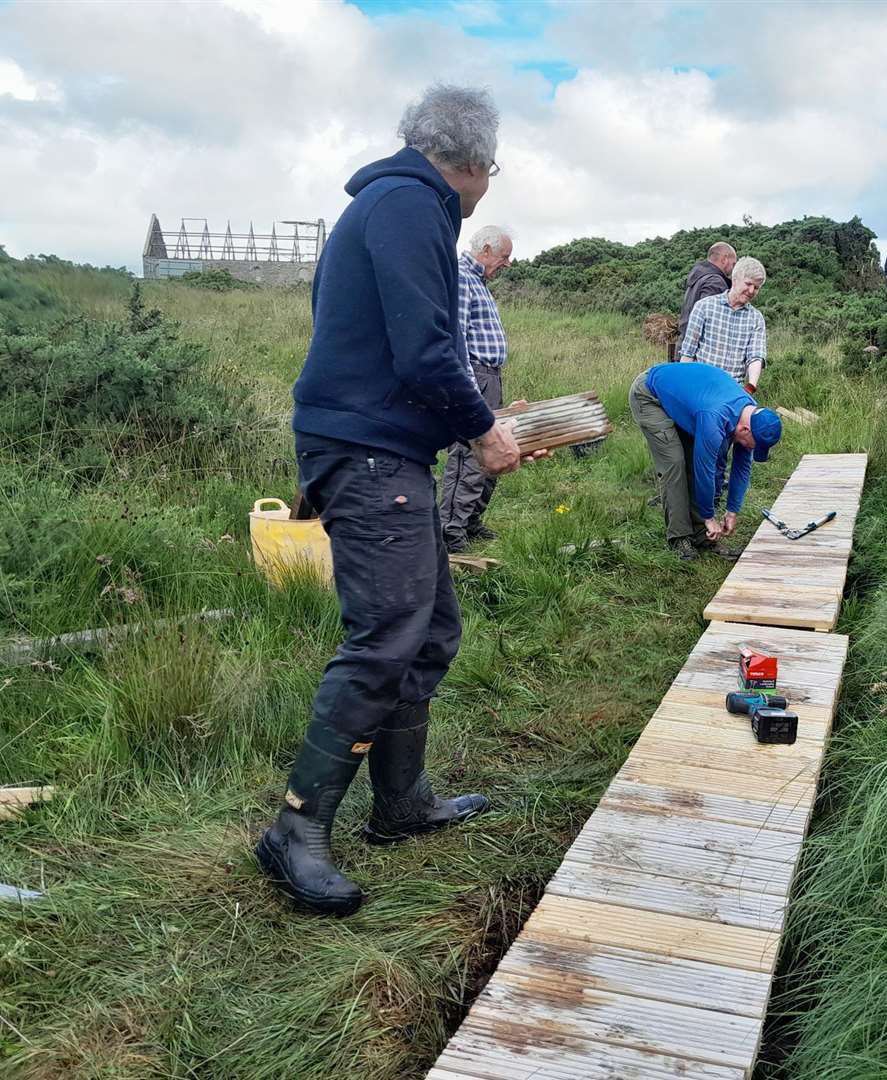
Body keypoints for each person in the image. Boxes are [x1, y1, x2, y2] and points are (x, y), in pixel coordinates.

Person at [256, 85, 546, 917]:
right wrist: (483, 433)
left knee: (431, 627)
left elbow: (394, 346)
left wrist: (481, 415)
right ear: (475, 165)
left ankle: (402, 804)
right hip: (369, 453)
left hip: (384, 448)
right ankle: (296, 830)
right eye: (491, 169)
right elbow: (423, 350)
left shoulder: (387, 205)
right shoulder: (411, 205)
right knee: (384, 637)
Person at [629, 362, 782, 561]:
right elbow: (705, 471)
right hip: (650, 394)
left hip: (689, 400)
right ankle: (680, 537)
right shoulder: (714, 417)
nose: (752, 449)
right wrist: (709, 517)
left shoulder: (749, 414)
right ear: (745, 430)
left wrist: (732, 511)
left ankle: (702, 536)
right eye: (754, 445)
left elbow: (742, 468)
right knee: (675, 463)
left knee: (697, 457)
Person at [441, 224, 513, 553]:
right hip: (477, 377)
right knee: (469, 455)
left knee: (493, 449)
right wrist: (469, 388)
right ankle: (450, 531)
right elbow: (457, 336)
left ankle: (470, 521)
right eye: (504, 256)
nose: (507, 263)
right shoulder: (462, 277)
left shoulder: (479, 281)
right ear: (484, 250)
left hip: (490, 377)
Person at [678, 256, 768, 393]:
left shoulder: (756, 318)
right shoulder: (704, 306)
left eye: (756, 288)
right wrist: (684, 387)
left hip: (733, 391)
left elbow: (755, 356)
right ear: (735, 278)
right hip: (701, 387)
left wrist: (750, 386)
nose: (751, 291)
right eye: (748, 284)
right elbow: (688, 352)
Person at [671, 241, 736, 363]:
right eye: (733, 264)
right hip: (698, 354)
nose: (733, 269)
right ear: (725, 259)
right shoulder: (714, 281)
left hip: (683, 346)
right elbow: (711, 323)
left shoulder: (698, 277)